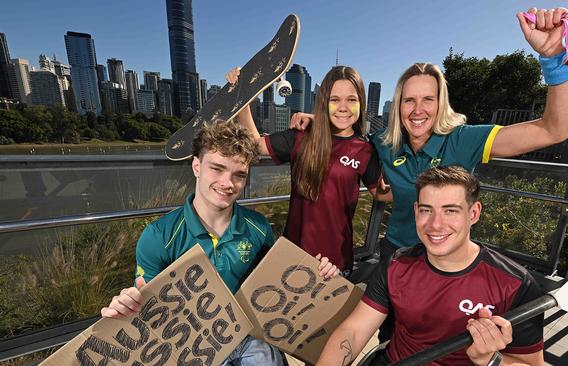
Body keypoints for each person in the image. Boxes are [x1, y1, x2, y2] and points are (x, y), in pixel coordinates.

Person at [290, 7, 568, 262]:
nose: (418, 110)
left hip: (447, 262)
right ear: (398, 105)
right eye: (408, 100)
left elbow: (557, 128)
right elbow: (355, 149)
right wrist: (322, 120)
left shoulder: (464, 139)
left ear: (442, 103)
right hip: (395, 256)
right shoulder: (383, 143)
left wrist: (554, 62)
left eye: (428, 99)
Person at [101, 121, 339, 366]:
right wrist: (126, 307)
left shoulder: (258, 227)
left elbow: (280, 283)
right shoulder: (159, 236)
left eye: (239, 175)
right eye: (217, 168)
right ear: (196, 166)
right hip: (195, 345)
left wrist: (317, 273)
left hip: (250, 336)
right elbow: (147, 305)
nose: (228, 183)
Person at [315, 166, 544, 366]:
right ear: (415, 211)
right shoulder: (397, 264)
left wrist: (490, 361)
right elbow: (353, 332)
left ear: (473, 214)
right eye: (426, 210)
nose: (435, 224)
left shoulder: (515, 284)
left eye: (450, 211)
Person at [227, 65, 388, 277]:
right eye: (334, 99)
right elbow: (255, 145)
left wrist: (423, 187)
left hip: (337, 260)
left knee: (331, 311)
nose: (343, 107)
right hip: (294, 252)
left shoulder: (365, 150)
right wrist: (242, 98)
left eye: (351, 99)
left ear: (361, 103)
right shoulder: (302, 136)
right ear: (323, 102)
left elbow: (380, 192)